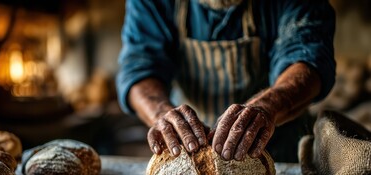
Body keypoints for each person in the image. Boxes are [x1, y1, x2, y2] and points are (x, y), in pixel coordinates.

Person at [116, 0, 335, 162]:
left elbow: (308, 59)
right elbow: (139, 67)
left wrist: (267, 106)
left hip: (279, 149)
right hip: (186, 155)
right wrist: (160, 113)